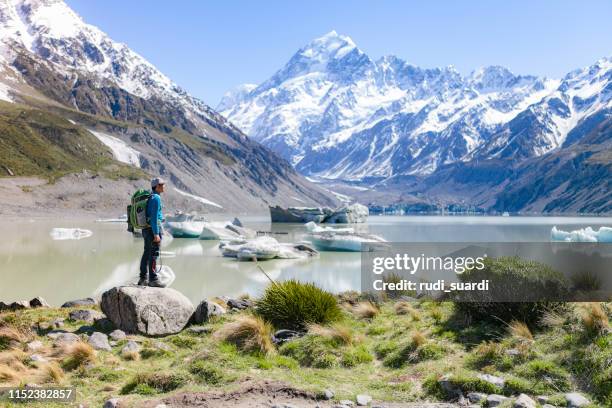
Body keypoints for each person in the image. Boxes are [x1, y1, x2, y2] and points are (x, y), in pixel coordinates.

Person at [139, 177, 165, 287]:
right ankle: (153, 279)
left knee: (146, 253)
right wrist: (156, 234)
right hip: (152, 229)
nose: (164, 186)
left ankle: (143, 278)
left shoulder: (150, 197)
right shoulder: (156, 198)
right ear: (157, 186)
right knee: (154, 254)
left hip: (145, 229)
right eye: (162, 184)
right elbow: (154, 217)